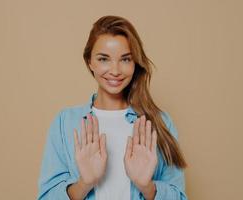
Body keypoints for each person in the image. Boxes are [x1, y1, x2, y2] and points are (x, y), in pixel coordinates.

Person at [37, 15, 188, 200]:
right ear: (89, 62)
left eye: (125, 59)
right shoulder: (64, 122)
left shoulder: (159, 123)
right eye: (103, 59)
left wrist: (147, 187)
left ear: (135, 63)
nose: (115, 71)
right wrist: (85, 183)